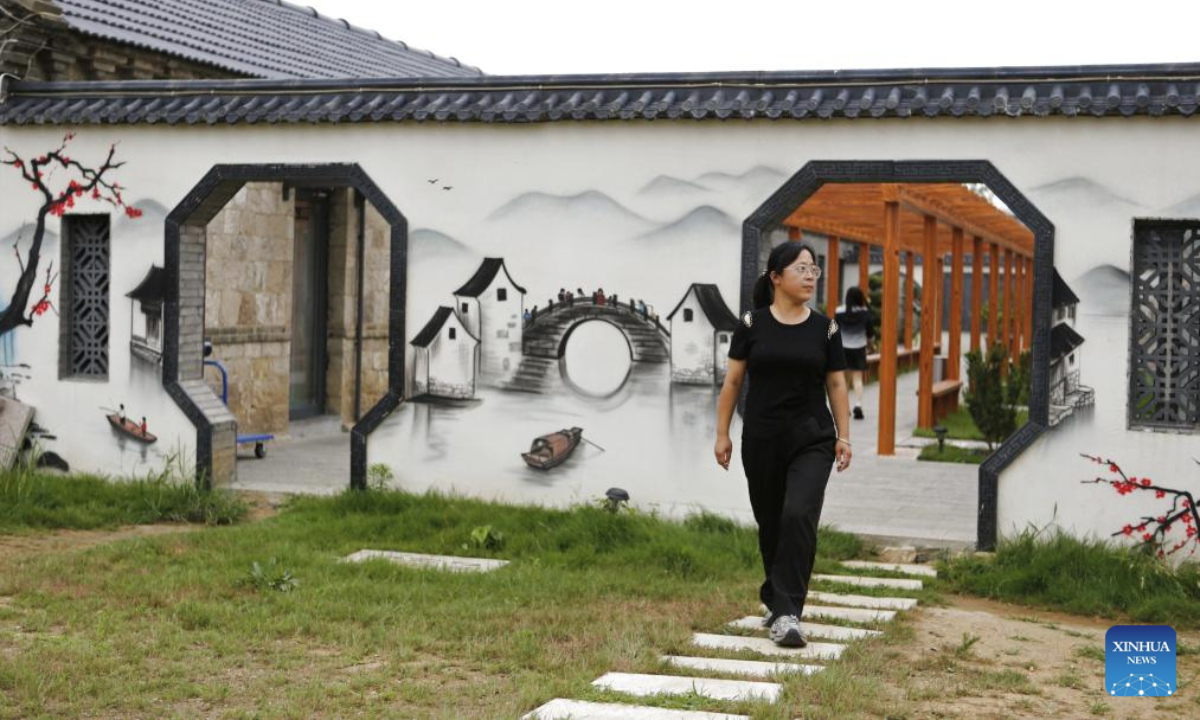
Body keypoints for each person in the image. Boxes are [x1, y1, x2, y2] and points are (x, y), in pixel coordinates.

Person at [714, 241, 852, 648]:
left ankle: (789, 612)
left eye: (815, 269)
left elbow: (837, 383)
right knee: (772, 521)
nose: (811, 275)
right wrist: (722, 432)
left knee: (798, 513)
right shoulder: (752, 324)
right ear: (776, 277)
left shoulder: (825, 328)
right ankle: (777, 599)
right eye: (801, 268)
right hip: (762, 437)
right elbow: (734, 382)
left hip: (813, 437)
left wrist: (844, 434)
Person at [834, 286, 875, 420]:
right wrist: (870, 346)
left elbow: (833, 331)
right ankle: (858, 405)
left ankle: (844, 408)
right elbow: (870, 335)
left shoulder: (839, 311)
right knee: (857, 379)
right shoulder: (866, 313)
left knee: (844, 381)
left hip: (842, 349)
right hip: (859, 348)